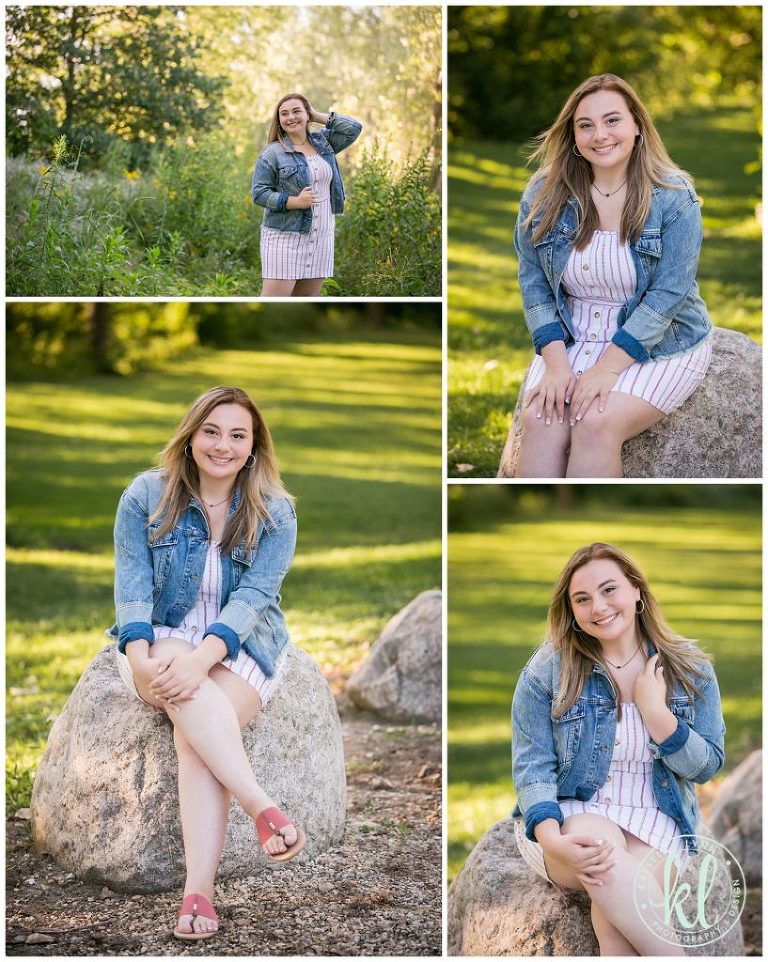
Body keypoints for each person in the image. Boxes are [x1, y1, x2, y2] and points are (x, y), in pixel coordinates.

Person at [108, 386, 304, 941]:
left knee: (194, 736)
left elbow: (253, 600)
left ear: (254, 447)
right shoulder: (146, 495)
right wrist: (139, 656)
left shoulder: (276, 512)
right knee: (189, 705)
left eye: (237, 435)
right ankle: (259, 804)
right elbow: (132, 588)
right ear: (191, 436)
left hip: (242, 643)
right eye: (212, 431)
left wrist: (204, 660)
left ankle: (198, 892)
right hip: (161, 637)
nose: (223, 445)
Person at [511, 543, 725, 955]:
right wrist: (551, 839)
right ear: (571, 610)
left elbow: (707, 766)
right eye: (582, 599)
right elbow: (533, 767)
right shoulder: (549, 669)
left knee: (616, 923)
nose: (599, 607)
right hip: (575, 813)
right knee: (604, 860)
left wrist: (656, 712)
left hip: (658, 818)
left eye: (610, 590)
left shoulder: (690, 668)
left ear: (637, 592)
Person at [514, 75, 713, 478]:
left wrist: (607, 369)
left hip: (661, 339)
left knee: (595, 421)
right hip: (574, 332)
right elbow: (533, 281)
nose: (599, 135)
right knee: (539, 417)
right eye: (585, 124)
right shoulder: (543, 192)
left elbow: (667, 296)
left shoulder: (675, 196)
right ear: (572, 134)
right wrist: (556, 365)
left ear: (637, 125)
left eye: (612, 120)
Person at [251, 93, 362, 297]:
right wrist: (295, 202)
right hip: (284, 235)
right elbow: (259, 193)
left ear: (307, 113)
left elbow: (354, 128)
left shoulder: (324, 143)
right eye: (284, 114)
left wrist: (316, 115)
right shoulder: (273, 153)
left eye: (296, 111)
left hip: (321, 234)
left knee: (306, 300)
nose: (290, 117)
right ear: (279, 121)